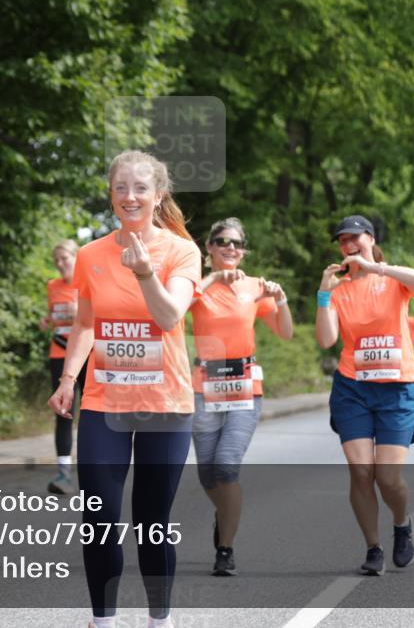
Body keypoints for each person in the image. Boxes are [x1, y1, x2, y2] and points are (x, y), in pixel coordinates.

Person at [48, 150, 201, 628]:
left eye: (140, 188)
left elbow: (170, 315)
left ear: (158, 196)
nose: (130, 196)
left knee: (151, 524)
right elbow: (86, 324)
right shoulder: (92, 255)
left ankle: (160, 620)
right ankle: (104, 621)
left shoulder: (182, 251)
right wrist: (69, 380)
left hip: (165, 405)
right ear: (111, 195)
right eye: (121, 188)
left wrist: (144, 272)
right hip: (104, 404)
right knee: (99, 522)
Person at [316, 214, 414, 576]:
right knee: (361, 470)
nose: (349, 245)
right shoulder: (338, 291)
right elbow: (326, 339)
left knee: (388, 477)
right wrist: (323, 291)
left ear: (370, 239)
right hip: (353, 388)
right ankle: (373, 547)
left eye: (355, 238)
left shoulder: (392, 279)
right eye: (342, 240)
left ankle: (401, 524)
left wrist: (377, 269)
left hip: (396, 388)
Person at [190, 218, 293, 576]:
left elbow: (285, 332)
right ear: (209, 248)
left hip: (244, 387)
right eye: (221, 241)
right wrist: (213, 279)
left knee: (226, 465)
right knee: (207, 475)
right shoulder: (199, 284)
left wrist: (281, 300)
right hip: (204, 387)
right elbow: (175, 309)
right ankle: (226, 517)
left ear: (244, 249)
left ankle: (226, 548)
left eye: (236, 242)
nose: (230, 247)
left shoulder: (255, 286)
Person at [40, 240, 86, 494]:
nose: (60, 264)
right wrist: (47, 320)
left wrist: (80, 310)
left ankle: (93, 467)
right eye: (56, 260)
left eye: (65, 259)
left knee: (90, 413)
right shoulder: (52, 287)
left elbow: (100, 316)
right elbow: (54, 316)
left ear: (77, 258)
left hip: (88, 355)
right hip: (60, 354)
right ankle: (64, 475)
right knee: (63, 412)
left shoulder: (88, 283)